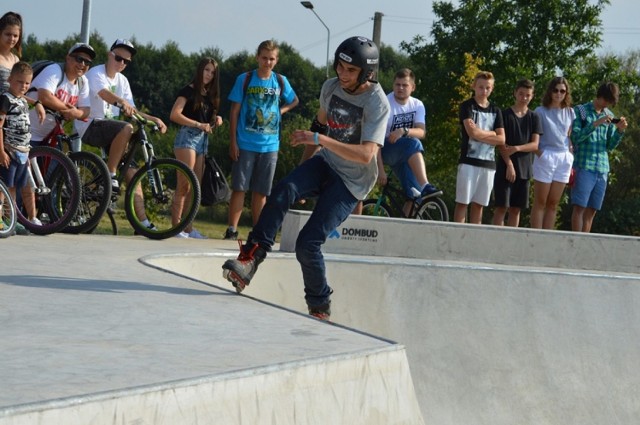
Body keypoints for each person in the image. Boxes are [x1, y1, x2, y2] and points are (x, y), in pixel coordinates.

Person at [222, 36, 390, 321]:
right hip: (324, 162)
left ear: (367, 73)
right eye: (340, 67)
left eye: (350, 71)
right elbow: (319, 125)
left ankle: (319, 305)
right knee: (284, 188)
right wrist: (302, 174)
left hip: (351, 183)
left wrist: (321, 139)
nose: (343, 75)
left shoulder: (377, 103)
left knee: (307, 243)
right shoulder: (331, 87)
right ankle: (251, 258)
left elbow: (365, 155)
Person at [223, 40, 299, 240]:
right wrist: (233, 141)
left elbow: (294, 100)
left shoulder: (280, 81)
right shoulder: (245, 79)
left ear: (276, 60)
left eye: (271, 59)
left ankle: (257, 232)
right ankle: (232, 229)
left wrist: (281, 110)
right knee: (240, 187)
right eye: (264, 58)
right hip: (245, 142)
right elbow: (234, 111)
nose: (267, 62)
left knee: (261, 191)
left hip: (270, 144)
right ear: (257, 57)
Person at [26, 42, 95, 225]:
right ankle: (18, 216)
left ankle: (48, 215)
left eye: (87, 62)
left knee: (51, 177)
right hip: (27, 130)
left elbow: (86, 110)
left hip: (48, 135)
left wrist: (75, 113)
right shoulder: (54, 71)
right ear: (68, 57)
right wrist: (68, 109)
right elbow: (44, 95)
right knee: (23, 178)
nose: (82, 64)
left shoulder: (82, 81)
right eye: (79, 59)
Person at [0, 11, 44, 234]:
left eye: (16, 35)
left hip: (14, 120)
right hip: (2, 116)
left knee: (17, 176)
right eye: (8, 34)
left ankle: (12, 216)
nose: (12, 39)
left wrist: (36, 103)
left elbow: (18, 92)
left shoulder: (16, 60)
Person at [169, 57, 223, 239]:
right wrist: (198, 124)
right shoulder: (188, 90)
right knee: (184, 184)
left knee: (196, 187)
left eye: (213, 72)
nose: (209, 75)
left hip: (202, 141)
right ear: (200, 70)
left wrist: (216, 120)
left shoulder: (210, 96)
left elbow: (206, 119)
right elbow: (174, 115)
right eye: (207, 70)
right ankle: (175, 227)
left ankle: (188, 228)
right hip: (187, 138)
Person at [377, 68, 441, 216]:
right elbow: (375, 140)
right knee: (413, 143)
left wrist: (403, 131)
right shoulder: (385, 104)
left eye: (404, 85)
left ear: (412, 87)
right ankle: (426, 184)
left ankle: (403, 228)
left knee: (415, 195)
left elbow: (421, 132)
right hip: (386, 149)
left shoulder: (417, 104)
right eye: (397, 84)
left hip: (406, 155)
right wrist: (380, 169)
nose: (400, 88)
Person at [570, 82, 627, 233]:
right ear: (600, 96)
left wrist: (619, 132)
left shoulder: (609, 115)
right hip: (584, 166)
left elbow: (609, 146)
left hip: (602, 168)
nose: (608, 105)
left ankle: (584, 245)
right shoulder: (581, 110)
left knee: (592, 211)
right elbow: (575, 137)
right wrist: (595, 124)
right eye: (607, 100)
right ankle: (575, 244)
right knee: (579, 207)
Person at [454, 71, 505, 224]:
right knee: (463, 202)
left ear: (492, 89)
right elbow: (471, 133)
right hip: (469, 161)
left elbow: (501, 139)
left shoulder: (496, 111)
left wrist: (481, 133)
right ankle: (457, 236)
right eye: (481, 87)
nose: (484, 91)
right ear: (474, 86)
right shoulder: (467, 106)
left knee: (479, 205)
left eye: (487, 88)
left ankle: (474, 239)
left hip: (488, 164)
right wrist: (491, 134)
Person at [492, 79, 542, 227]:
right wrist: (509, 164)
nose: (524, 98)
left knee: (516, 209)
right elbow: (501, 143)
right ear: (515, 93)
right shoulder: (504, 114)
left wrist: (517, 148)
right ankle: (496, 240)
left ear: (532, 96)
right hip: (505, 168)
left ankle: (511, 242)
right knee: (502, 207)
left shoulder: (534, 117)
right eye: (521, 94)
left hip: (525, 170)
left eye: (527, 95)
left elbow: (535, 144)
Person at [530, 76, 575, 229]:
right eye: (555, 90)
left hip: (564, 157)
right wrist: (540, 153)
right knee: (540, 202)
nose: (559, 94)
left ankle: (548, 239)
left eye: (562, 91)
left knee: (553, 203)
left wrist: (570, 155)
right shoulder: (539, 111)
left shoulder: (570, 112)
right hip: (546, 155)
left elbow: (569, 135)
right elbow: (531, 135)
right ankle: (535, 238)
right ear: (550, 91)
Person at [0, 62, 35, 235]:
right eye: (20, 82)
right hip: (9, 150)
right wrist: (1, 151)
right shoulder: (5, 99)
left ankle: (10, 218)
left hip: (22, 151)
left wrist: (26, 152)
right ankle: (0, 218)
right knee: (4, 186)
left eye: (27, 83)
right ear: (10, 80)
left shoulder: (23, 101)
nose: (24, 86)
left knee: (13, 187)